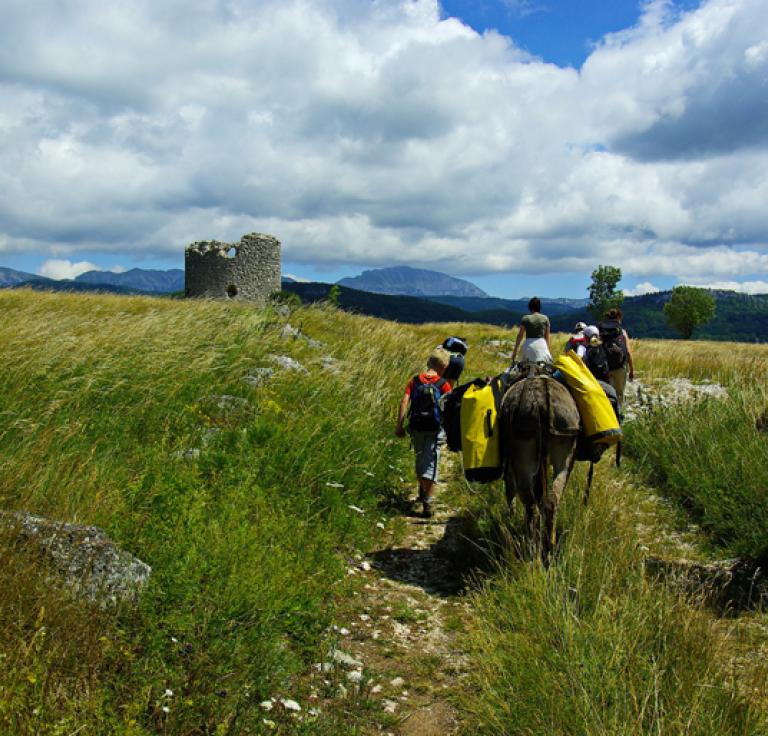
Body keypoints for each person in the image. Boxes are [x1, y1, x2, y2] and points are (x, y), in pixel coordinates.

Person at [395, 347, 452, 518]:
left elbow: (404, 401)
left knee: (420, 458)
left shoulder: (414, 381)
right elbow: (449, 408)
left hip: (417, 427)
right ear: (443, 366)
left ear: (429, 362)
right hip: (435, 429)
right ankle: (428, 501)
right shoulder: (443, 384)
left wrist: (399, 425)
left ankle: (423, 486)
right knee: (432, 462)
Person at [598, 308, 634, 407]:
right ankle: (619, 416)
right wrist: (631, 370)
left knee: (607, 394)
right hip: (620, 367)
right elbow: (628, 351)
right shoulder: (622, 332)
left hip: (605, 368)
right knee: (619, 394)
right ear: (618, 318)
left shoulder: (600, 331)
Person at [511, 297, 552, 364]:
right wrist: (548, 351)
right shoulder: (545, 318)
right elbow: (547, 337)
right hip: (541, 346)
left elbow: (520, 336)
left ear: (530, 307)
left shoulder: (525, 318)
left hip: (528, 346)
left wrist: (515, 351)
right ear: (539, 307)